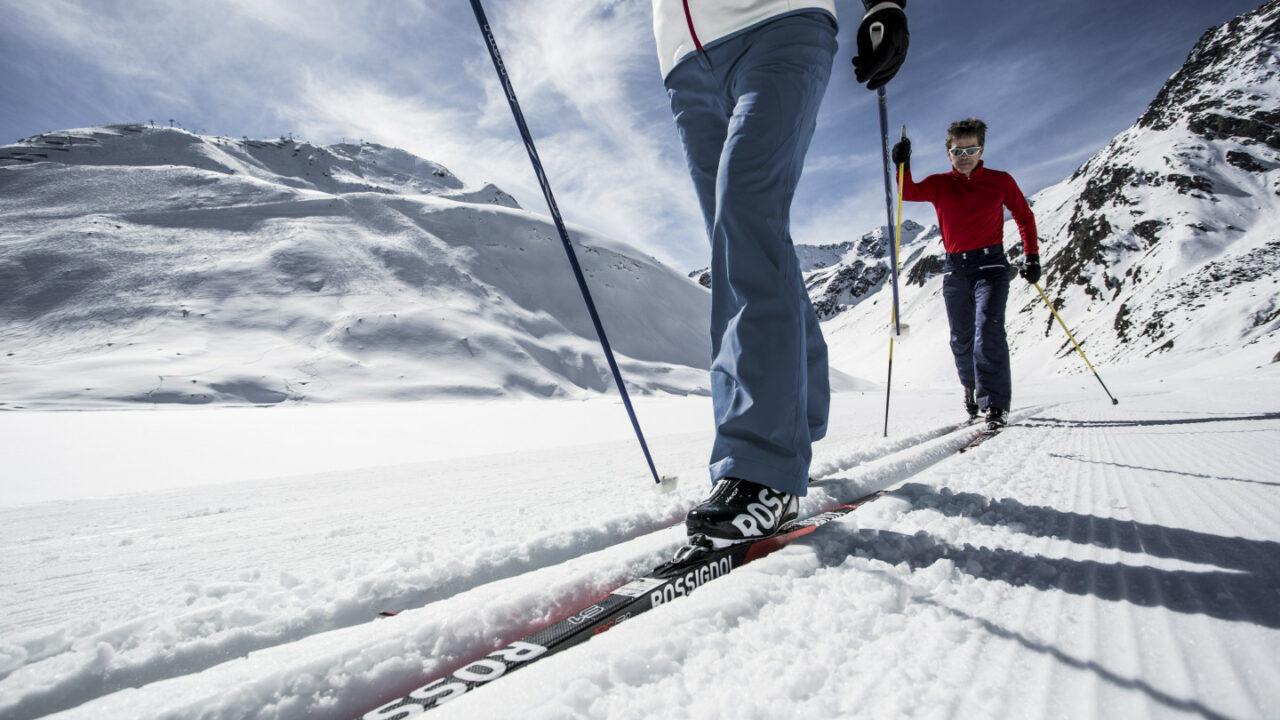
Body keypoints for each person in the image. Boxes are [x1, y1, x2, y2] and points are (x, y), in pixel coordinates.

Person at [652, 0, 909, 545]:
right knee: (740, 238)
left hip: (778, 21)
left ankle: (763, 465)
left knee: (746, 213)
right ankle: (801, 413)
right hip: (683, 59)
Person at [893, 118, 1040, 429]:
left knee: (988, 329)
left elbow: (1024, 217)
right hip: (955, 269)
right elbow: (907, 193)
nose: (964, 156)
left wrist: (1032, 257)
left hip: (992, 267)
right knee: (961, 338)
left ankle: (996, 404)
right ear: (948, 153)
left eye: (970, 149)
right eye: (957, 151)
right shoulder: (939, 184)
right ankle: (971, 390)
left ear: (981, 149)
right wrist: (902, 164)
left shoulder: (1000, 181)